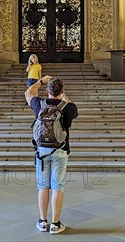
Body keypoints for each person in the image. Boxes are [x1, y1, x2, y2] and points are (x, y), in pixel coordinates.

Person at [25, 75, 78, 235]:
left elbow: (28, 92)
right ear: (62, 91)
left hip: (41, 152)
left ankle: (42, 221)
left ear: (47, 91)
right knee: (57, 187)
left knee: (43, 187)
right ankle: (55, 224)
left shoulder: (39, 104)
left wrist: (41, 81)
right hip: (60, 150)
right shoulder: (69, 107)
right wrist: (63, 96)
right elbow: (72, 109)